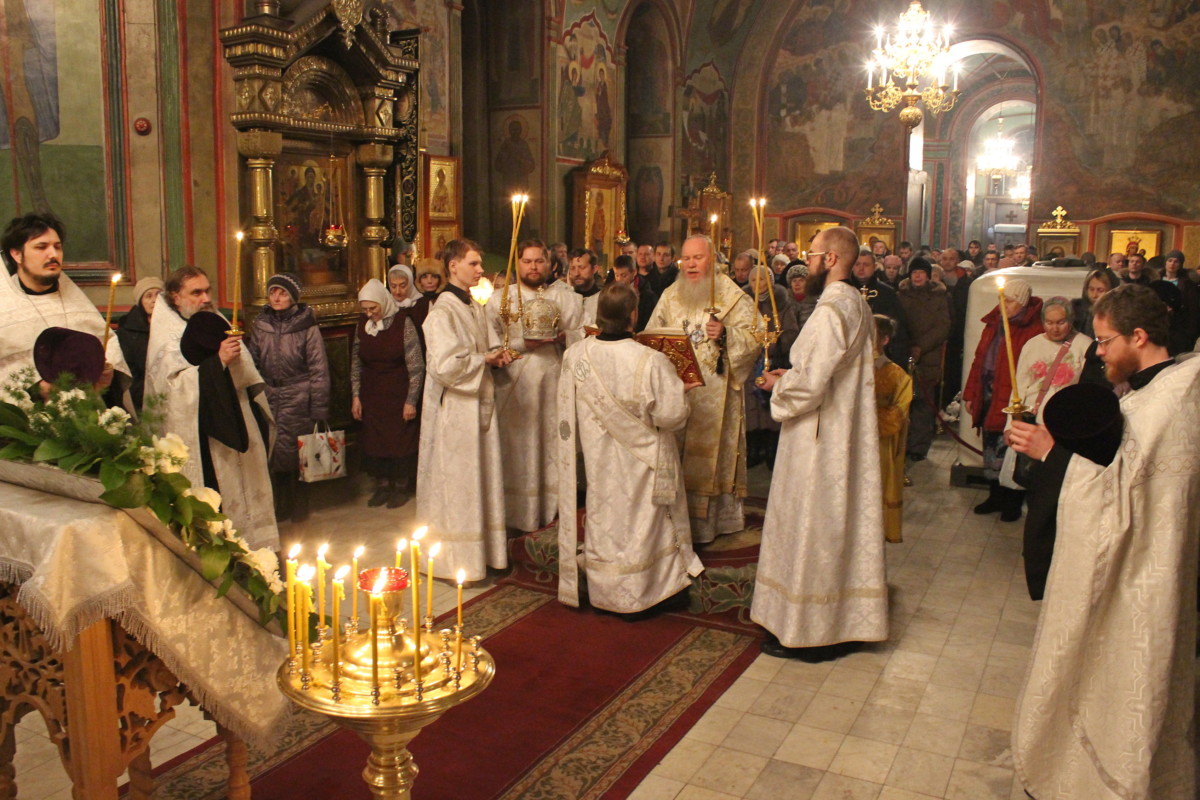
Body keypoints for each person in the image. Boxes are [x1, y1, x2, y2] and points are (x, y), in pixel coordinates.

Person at [1009, 283, 1200, 800]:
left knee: (1114, 682)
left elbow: (1117, 503)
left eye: (1104, 340)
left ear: (1139, 336)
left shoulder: (1165, 407)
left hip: (1140, 583)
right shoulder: (1165, 387)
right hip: (1148, 570)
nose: (1096, 352)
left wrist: (1051, 453)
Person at [751, 225, 888, 660]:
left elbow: (810, 385)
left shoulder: (832, 309)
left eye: (811, 255)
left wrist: (779, 387)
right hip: (836, 430)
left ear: (831, 260)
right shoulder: (854, 304)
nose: (804, 262)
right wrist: (791, 377)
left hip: (820, 436)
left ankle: (812, 632)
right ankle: (835, 621)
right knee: (833, 525)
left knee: (813, 527)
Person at [556, 283, 703, 617]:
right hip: (643, 462)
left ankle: (604, 591)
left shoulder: (575, 355)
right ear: (633, 316)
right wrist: (682, 391)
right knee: (640, 523)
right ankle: (644, 594)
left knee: (606, 519)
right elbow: (671, 416)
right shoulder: (651, 361)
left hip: (598, 462)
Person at [145, 266, 278, 550]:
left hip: (236, 419)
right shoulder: (166, 338)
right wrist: (217, 362)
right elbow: (171, 392)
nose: (205, 298)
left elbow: (248, 376)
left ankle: (258, 555)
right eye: (196, 292)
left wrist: (232, 361)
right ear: (175, 297)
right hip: (201, 436)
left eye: (207, 290)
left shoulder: (216, 321)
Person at [648, 234, 757, 543]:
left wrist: (727, 334)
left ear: (713, 259)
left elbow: (755, 337)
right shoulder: (671, 294)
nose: (690, 264)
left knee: (711, 455)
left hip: (716, 391)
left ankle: (711, 524)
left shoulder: (732, 296)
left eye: (698, 257)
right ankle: (675, 520)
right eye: (686, 258)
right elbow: (652, 333)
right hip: (679, 389)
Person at [417, 239, 514, 581]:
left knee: (480, 479)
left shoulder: (473, 305)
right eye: (473, 264)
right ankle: (456, 560)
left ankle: (483, 555)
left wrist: (495, 357)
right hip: (456, 411)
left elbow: (483, 346)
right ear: (453, 266)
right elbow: (443, 365)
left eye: (480, 263)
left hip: (477, 404)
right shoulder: (442, 310)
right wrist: (482, 359)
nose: (480, 270)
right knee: (458, 484)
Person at [486, 239, 580, 532]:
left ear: (550, 264)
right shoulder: (501, 299)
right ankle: (516, 516)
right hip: (514, 388)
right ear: (518, 264)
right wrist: (521, 344)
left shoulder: (566, 297)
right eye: (527, 261)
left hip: (553, 384)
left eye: (539, 261)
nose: (534, 267)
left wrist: (566, 337)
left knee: (551, 446)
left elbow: (583, 336)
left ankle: (551, 512)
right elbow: (489, 345)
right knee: (519, 450)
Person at [1006, 296, 1092, 600]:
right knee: (1035, 486)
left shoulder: (1084, 345)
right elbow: (1020, 385)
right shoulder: (1032, 345)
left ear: (1071, 321)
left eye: (1061, 322)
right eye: (1049, 322)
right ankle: (1036, 546)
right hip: (1034, 423)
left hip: (1065, 429)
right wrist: (1012, 424)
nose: (1055, 328)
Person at [0, 213, 131, 402]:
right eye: (41, 247)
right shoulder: (4, 308)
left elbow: (106, 347)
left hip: (85, 414)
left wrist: (106, 375)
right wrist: (35, 389)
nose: (53, 254)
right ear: (17, 254)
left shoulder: (77, 304)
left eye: (57, 247)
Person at [246, 272, 330, 522]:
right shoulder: (261, 325)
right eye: (273, 292)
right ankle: (280, 504)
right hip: (270, 395)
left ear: (293, 297)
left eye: (282, 293)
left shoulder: (306, 327)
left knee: (298, 453)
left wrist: (319, 408)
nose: (276, 297)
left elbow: (318, 369)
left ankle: (299, 506)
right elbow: (253, 362)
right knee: (274, 453)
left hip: (298, 395)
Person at [963, 278, 1043, 522]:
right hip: (989, 391)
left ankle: (1012, 501)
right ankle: (994, 495)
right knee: (991, 447)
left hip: (1012, 396)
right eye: (1002, 299)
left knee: (1011, 450)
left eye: (1009, 301)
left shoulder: (1033, 329)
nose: (1004, 304)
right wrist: (971, 393)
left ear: (1021, 303)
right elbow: (980, 359)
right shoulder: (994, 323)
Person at [352, 278, 424, 508]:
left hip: (398, 391)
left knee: (400, 441)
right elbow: (356, 361)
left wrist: (411, 401)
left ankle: (400, 488)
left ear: (384, 302)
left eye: (373, 308)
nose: (369, 313)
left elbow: (416, 365)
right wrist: (356, 395)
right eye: (365, 309)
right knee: (375, 441)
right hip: (372, 392)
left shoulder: (404, 323)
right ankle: (383, 486)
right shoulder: (362, 324)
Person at [743, 264, 798, 469]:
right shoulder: (744, 302)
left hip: (774, 361)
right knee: (752, 406)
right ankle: (753, 448)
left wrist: (773, 344)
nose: (758, 285)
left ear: (771, 281)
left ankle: (772, 449)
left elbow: (791, 331)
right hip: (751, 361)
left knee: (770, 407)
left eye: (763, 280)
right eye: (754, 280)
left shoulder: (782, 303)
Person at [897, 258, 950, 462]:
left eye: (921, 272)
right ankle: (901, 443)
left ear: (928, 276)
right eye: (914, 272)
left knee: (923, 403)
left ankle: (918, 446)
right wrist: (907, 343)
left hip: (928, 355)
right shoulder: (900, 296)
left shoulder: (939, 297)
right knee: (902, 400)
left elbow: (943, 326)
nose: (917, 276)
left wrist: (921, 346)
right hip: (904, 351)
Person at [874, 315, 912, 544]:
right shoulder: (847, 367)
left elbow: (898, 415)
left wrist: (863, 416)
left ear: (885, 340)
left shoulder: (896, 374)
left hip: (880, 446)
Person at [850, 247, 910, 366]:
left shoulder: (887, 293)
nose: (861, 268)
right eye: (857, 264)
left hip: (881, 354)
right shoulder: (844, 290)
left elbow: (898, 326)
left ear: (874, 267)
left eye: (866, 264)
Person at [115, 276, 163, 412]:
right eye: (148, 296)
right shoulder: (127, 331)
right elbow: (130, 372)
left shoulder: (174, 326)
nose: (155, 300)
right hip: (143, 397)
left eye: (159, 295)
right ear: (140, 301)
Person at [611, 254, 656, 333]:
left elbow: (649, 324)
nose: (619, 280)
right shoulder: (610, 292)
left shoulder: (647, 295)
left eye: (623, 275)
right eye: (616, 275)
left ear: (634, 272)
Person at [567, 247, 602, 331]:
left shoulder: (603, 299)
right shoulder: (565, 298)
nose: (576, 273)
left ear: (594, 269)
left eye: (582, 268)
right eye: (572, 268)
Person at [388, 263, 430, 328]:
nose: (397, 291)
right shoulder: (387, 304)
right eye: (393, 286)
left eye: (403, 286)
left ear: (410, 284)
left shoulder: (423, 304)